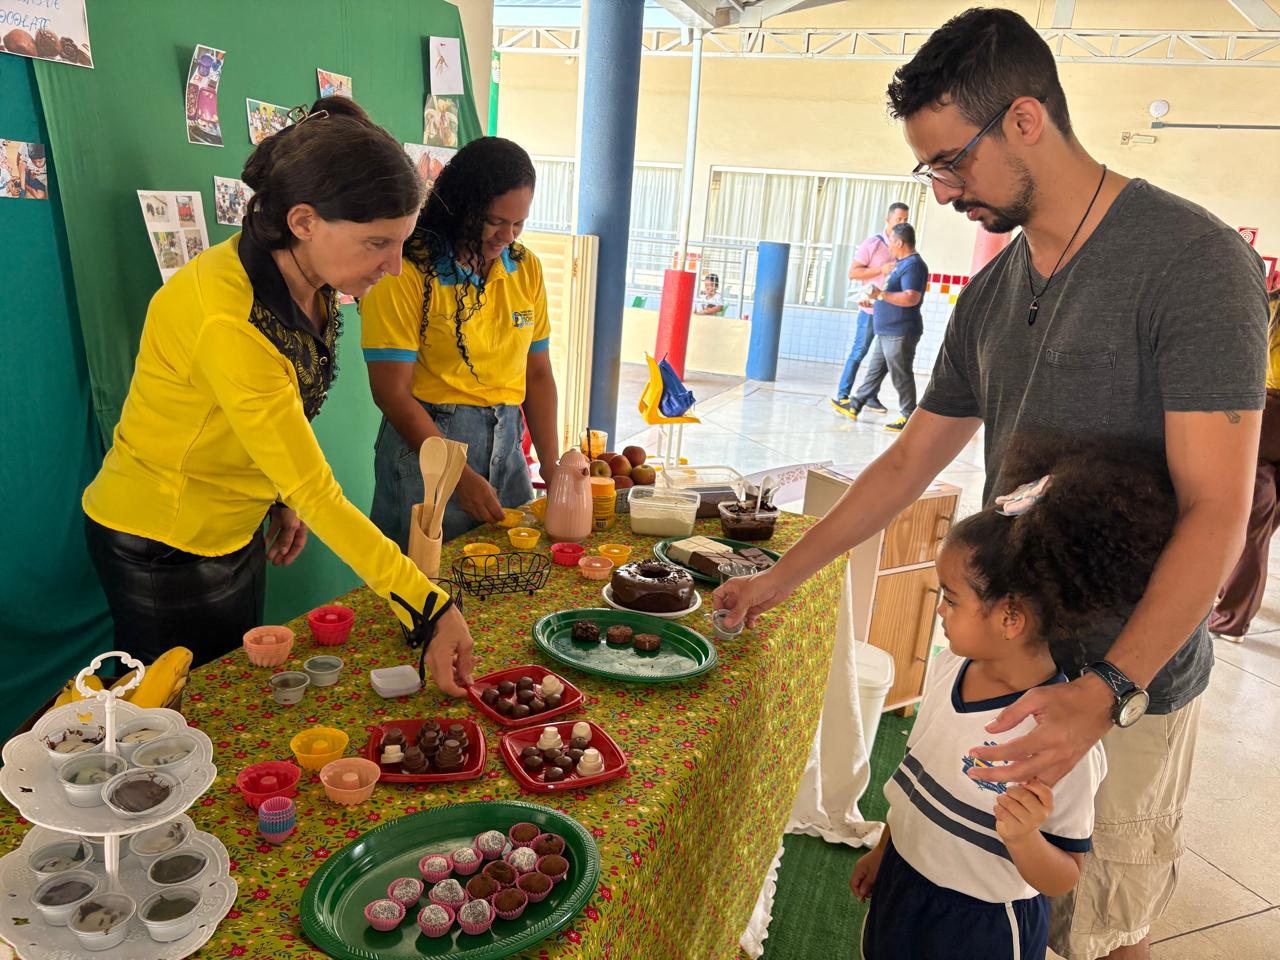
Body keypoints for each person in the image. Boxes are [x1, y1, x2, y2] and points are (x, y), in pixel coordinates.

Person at [715, 9, 1267, 960]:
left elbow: (1217, 509)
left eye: (951, 162)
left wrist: (1105, 693)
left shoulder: (1193, 264)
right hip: (1004, 661)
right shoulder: (991, 292)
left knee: (1098, 926)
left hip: (1129, 681)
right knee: (977, 897)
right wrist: (782, 575)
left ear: (1024, 119)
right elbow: (906, 459)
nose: (940, 193)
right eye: (928, 170)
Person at [82, 97, 476, 697]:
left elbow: (275, 415)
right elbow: (316, 487)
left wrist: (276, 491)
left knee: (228, 696)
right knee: (179, 718)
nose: (394, 266)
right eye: (376, 243)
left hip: (233, 524)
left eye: (402, 241)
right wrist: (428, 604)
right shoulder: (228, 319)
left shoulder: (309, 280)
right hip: (163, 540)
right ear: (303, 221)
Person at [853, 437, 1176, 960]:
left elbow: (1062, 877)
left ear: (1010, 618)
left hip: (981, 929)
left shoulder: (1061, 738)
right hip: (903, 890)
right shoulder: (946, 669)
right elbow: (917, 780)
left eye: (951, 599)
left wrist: (1024, 837)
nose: (939, 610)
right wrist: (887, 852)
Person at [361, 137, 560, 548]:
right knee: (424, 587)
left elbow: (537, 374)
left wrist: (553, 465)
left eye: (518, 223)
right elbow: (391, 393)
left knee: (509, 578)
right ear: (462, 206)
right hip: (428, 448)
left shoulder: (526, 269)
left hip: (509, 445)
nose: (506, 235)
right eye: (493, 220)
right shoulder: (407, 269)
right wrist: (457, 474)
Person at [1211, 275, 1280, 639]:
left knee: (1253, 522)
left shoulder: (1267, 305)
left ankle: (1231, 617)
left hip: (1267, 414)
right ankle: (1233, 601)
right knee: (1264, 522)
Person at [845, 222, 928, 432]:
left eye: (890, 241)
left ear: (899, 242)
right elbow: (890, 296)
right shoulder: (901, 264)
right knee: (875, 371)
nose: (888, 245)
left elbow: (911, 298)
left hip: (900, 332)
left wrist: (880, 295)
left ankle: (908, 415)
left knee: (900, 373)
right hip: (887, 331)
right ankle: (855, 404)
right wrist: (873, 301)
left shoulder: (914, 266)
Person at [832, 201, 910, 416]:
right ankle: (843, 395)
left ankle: (869, 396)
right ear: (888, 219)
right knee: (859, 352)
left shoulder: (903, 246)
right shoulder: (873, 244)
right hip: (869, 311)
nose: (901, 223)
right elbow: (853, 273)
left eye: (905, 220)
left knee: (882, 358)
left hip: (889, 312)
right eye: (898, 219)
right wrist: (880, 269)